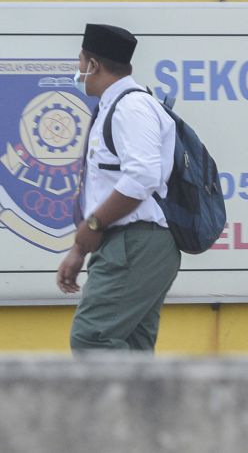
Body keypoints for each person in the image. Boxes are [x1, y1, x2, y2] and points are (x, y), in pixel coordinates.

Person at [57, 23, 180, 351]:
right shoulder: (114, 107)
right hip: (125, 244)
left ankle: (113, 405)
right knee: (133, 351)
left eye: (81, 62)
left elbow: (142, 176)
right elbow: (106, 184)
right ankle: (142, 405)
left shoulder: (131, 107)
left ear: (94, 65)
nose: (78, 70)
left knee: (91, 339)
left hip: (136, 243)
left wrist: (94, 223)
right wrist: (79, 249)